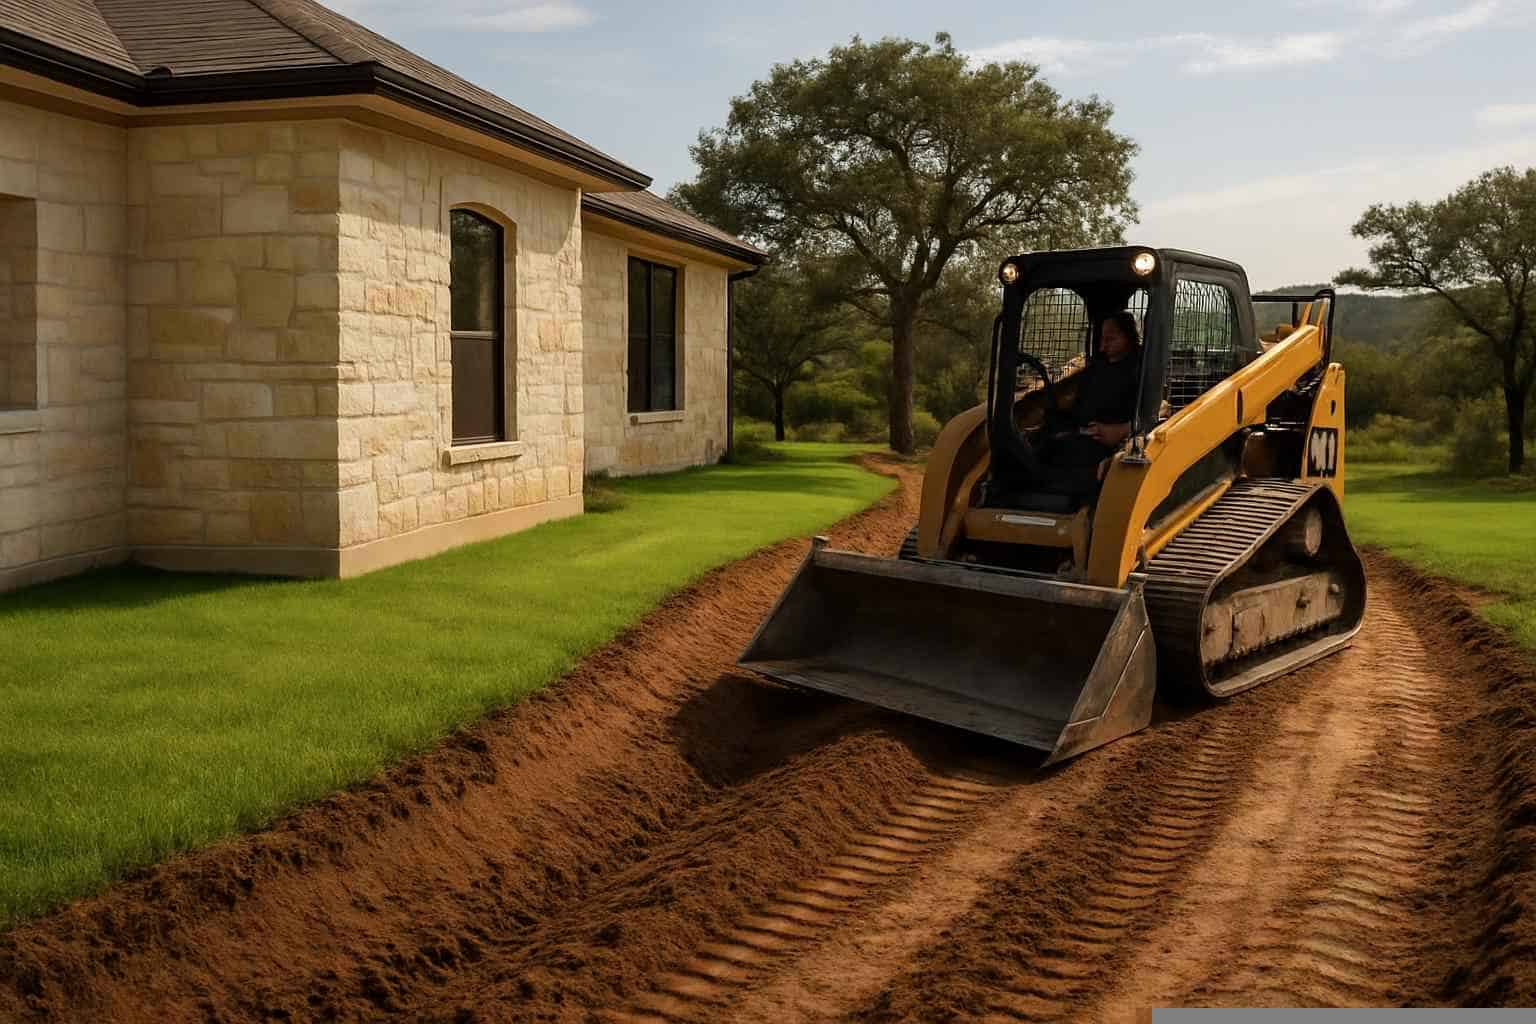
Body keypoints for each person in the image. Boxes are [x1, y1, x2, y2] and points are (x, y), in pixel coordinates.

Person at [1038, 311, 1142, 492]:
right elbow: (1079, 406)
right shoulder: (1095, 368)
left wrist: (1124, 430)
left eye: (1110, 339)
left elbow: (1158, 409)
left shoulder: (1140, 370)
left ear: (1128, 338)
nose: (1102, 346)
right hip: (1081, 434)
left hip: (1113, 445)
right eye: (1102, 339)